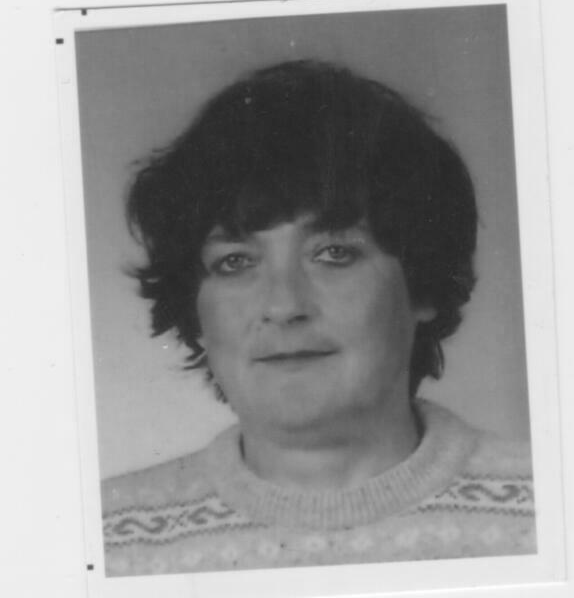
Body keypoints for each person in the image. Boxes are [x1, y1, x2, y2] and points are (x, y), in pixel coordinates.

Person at [101, 60, 535, 576]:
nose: (284, 306)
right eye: (235, 262)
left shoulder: (543, 509)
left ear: (423, 287)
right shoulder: (108, 539)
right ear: (195, 308)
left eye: (334, 253)